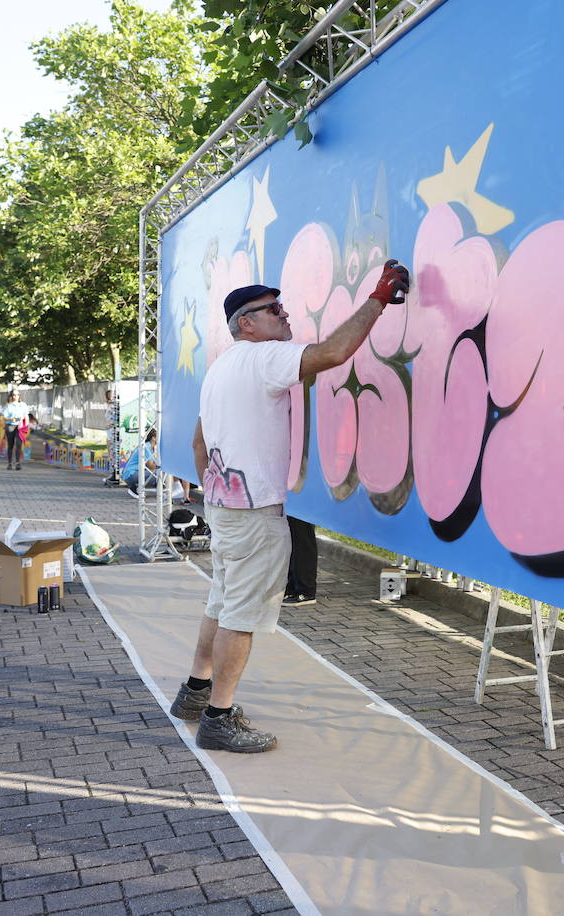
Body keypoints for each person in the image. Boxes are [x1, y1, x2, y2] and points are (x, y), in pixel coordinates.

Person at [172, 261, 410, 753]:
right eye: (272, 310)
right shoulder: (265, 358)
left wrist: (217, 493)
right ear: (247, 324)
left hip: (225, 508)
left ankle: (195, 694)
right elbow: (333, 351)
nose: (284, 316)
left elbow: (198, 443)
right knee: (240, 613)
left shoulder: (221, 369)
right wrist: (381, 295)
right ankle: (218, 717)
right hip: (254, 511)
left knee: (221, 601)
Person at [283, 518, 318, 607]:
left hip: (304, 506)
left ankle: (306, 591)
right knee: (294, 538)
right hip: (295, 505)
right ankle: (293, 587)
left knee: (302, 539)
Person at [122, 428, 160, 498]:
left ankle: (136, 488)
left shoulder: (148, 446)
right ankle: (135, 488)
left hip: (130, 474)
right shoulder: (147, 447)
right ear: (153, 438)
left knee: (159, 472)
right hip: (131, 475)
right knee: (160, 473)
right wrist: (161, 465)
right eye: (159, 437)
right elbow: (150, 466)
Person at [1, 392, 29, 470]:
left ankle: (18, 463)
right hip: (10, 425)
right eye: (14, 395)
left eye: (17, 394)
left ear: (19, 396)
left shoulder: (23, 405)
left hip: (20, 426)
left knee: (19, 444)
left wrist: (24, 421)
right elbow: (4, 417)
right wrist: (11, 419)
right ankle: (9, 463)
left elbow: (26, 415)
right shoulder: (8, 405)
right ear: (12, 396)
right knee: (10, 445)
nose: (15, 396)